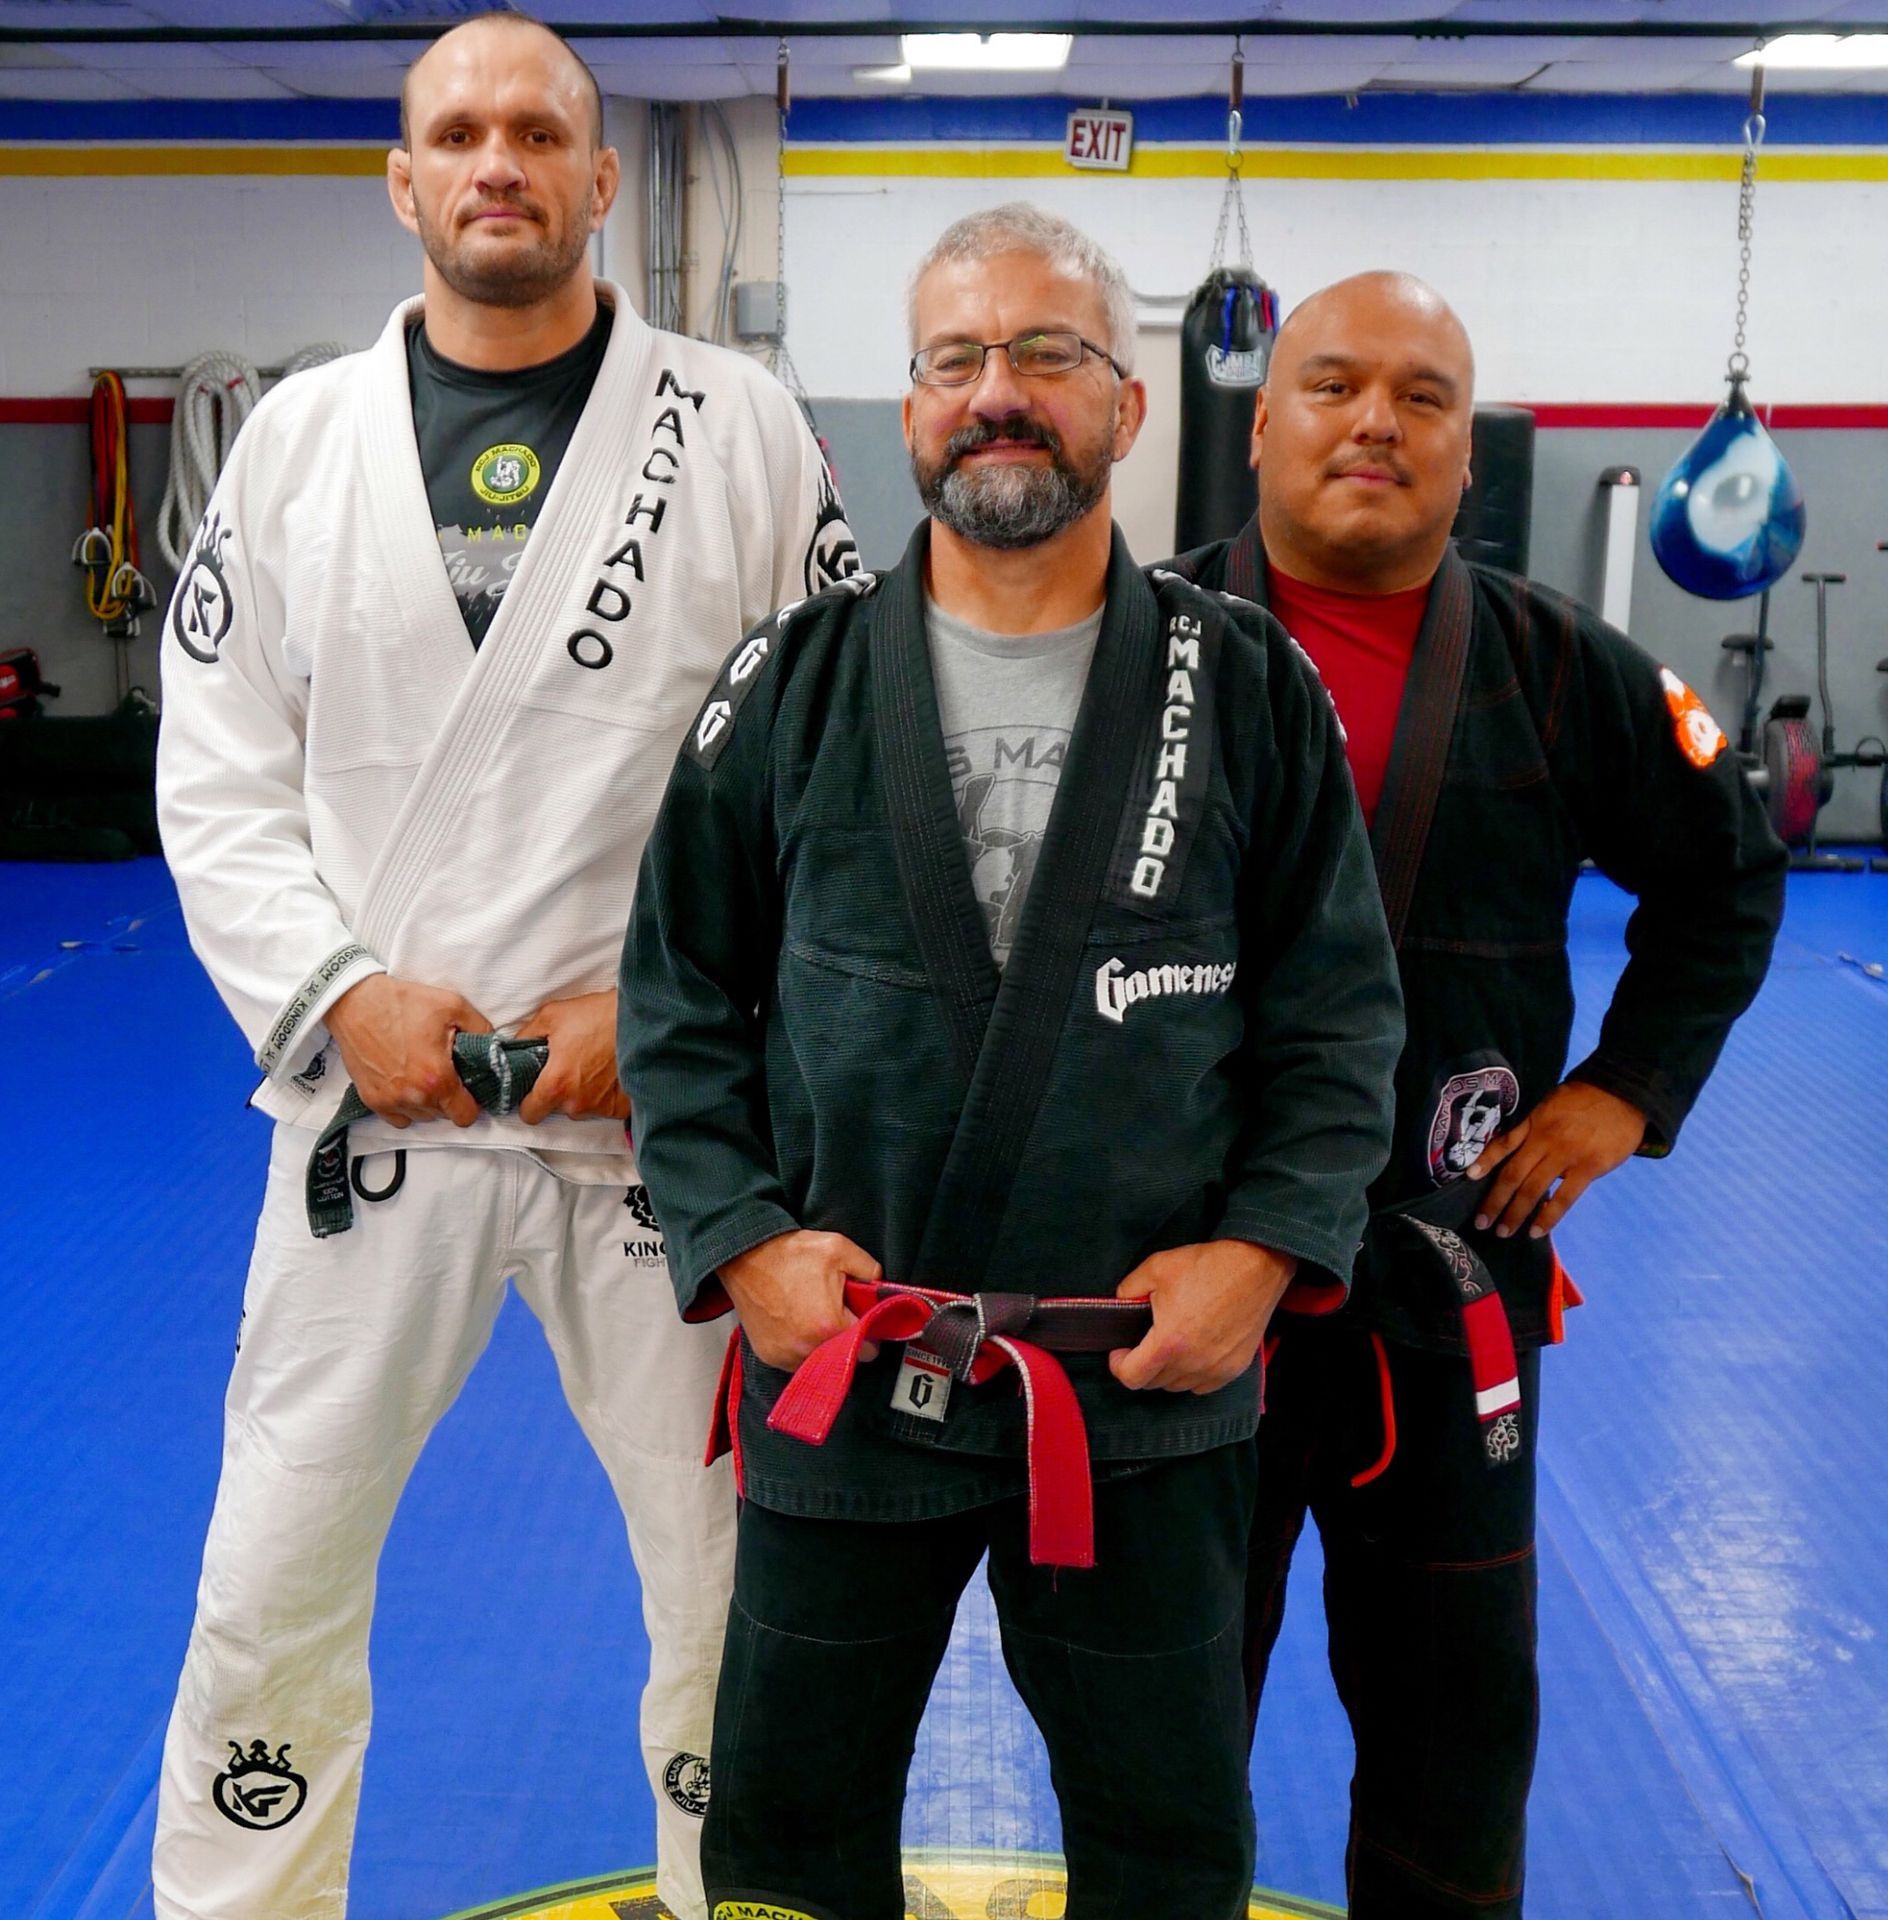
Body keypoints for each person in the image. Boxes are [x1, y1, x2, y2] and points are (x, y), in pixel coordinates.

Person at [616, 204, 1406, 1920]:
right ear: (903, 411)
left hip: (1142, 1385)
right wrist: (743, 1243)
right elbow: (675, 1000)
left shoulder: (1248, 683)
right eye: (957, 360)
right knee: (791, 1838)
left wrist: (1262, 1262)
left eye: (1049, 355)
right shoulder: (796, 682)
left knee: (1168, 1840)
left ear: (1127, 404)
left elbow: (1340, 1018)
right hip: (846, 1368)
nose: (1000, 393)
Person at [152, 18, 857, 1920]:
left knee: (728, 1575)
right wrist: (334, 998)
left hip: (666, 1125)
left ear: (600, 179)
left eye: (537, 130)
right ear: (402, 183)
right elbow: (215, 773)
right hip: (375, 1113)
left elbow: (834, 774)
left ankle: (754, 1895)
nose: (496, 161)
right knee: (272, 1568)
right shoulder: (294, 445)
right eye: (455, 133)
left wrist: (679, 1016)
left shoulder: (743, 433)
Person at [1171, 270, 1786, 1919]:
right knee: (1158, 1731)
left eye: (1423, 396)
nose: (1376, 420)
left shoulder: (1560, 665)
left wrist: (1624, 1094)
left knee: (1453, 1726)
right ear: (1260, 427)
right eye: (1336, 385)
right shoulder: (1138, 649)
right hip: (1183, 1286)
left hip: (1447, 1283)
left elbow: (1728, 878)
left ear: (1464, 450)